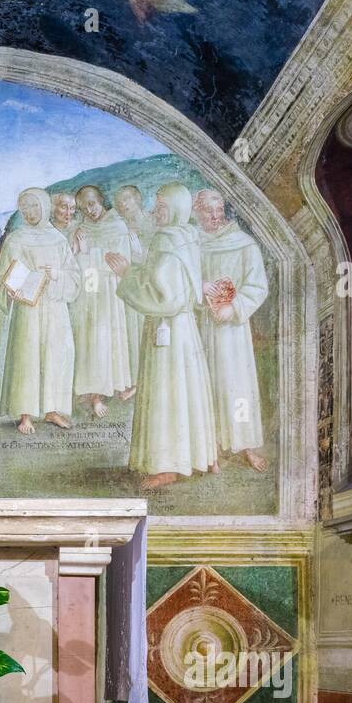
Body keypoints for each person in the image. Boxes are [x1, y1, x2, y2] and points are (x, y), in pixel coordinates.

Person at [108, 182, 217, 488]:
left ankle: (168, 465)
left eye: (161, 206)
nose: (155, 211)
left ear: (176, 209)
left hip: (168, 330)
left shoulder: (169, 242)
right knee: (187, 391)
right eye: (155, 205)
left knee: (167, 395)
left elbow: (165, 297)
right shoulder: (183, 237)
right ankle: (200, 454)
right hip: (182, 331)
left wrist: (127, 274)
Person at [193, 189, 269, 472]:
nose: (214, 217)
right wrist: (200, 290)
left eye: (218, 210)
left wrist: (234, 307)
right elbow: (184, 277)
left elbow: (258, 285)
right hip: (201, 326)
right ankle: (210, 446)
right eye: (207, 211)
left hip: (233, 332)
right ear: (196, 212)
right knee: (205, 386)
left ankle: (246, 445)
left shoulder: (244, 244)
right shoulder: (193, 242)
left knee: (238, 387)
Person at [0, 187, 81, 434]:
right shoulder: (16, 239)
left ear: (44, 207)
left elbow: (74, 275)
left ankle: (52, 410)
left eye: (34, 206)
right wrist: (9, 289)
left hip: (55, 307)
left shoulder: (58, 239)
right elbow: (3, 274)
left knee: (57, 355)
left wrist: (57, 275)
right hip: (27, 309)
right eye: (25, 208)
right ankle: (25, 414)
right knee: (27, 358)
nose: (30, 212)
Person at [70, 184, 133, 417]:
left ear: (100, 200)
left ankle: (103, 393)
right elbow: (75, 262)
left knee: (104, 341)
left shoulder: (117, 226)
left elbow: (118, 264)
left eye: (92, 204)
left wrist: (89, 254)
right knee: (88, 342)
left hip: (108, 293)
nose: (89, 210)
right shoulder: (81, 228)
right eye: (84, 208)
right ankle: (91, 393)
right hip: (88, 293)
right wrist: (82, 252)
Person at [113, 184, 153, 392]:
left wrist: (138, 255)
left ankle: (143, 381)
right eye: (120, 201)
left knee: (143, 332)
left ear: (137, 199)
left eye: (127, 198)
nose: (123, 203)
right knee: (129, 332)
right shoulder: (120, 226)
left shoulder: (150, 221)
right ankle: (132, 380)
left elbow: (155, 254)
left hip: (146, 283)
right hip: (127, 283)